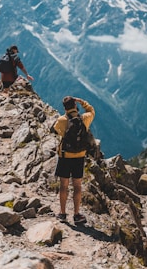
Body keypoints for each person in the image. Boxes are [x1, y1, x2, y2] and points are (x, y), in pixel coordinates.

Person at [52, 96, 95, 224]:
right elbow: (92, 111)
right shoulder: (85, 119)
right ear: (75, 106)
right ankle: (77, 215)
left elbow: (56, 130)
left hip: (65, 157)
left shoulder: (62, 120)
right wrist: (82, 102)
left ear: (65, 108)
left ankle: (62, 213)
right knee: (77, 186)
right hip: (80, 157)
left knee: (64, 185)